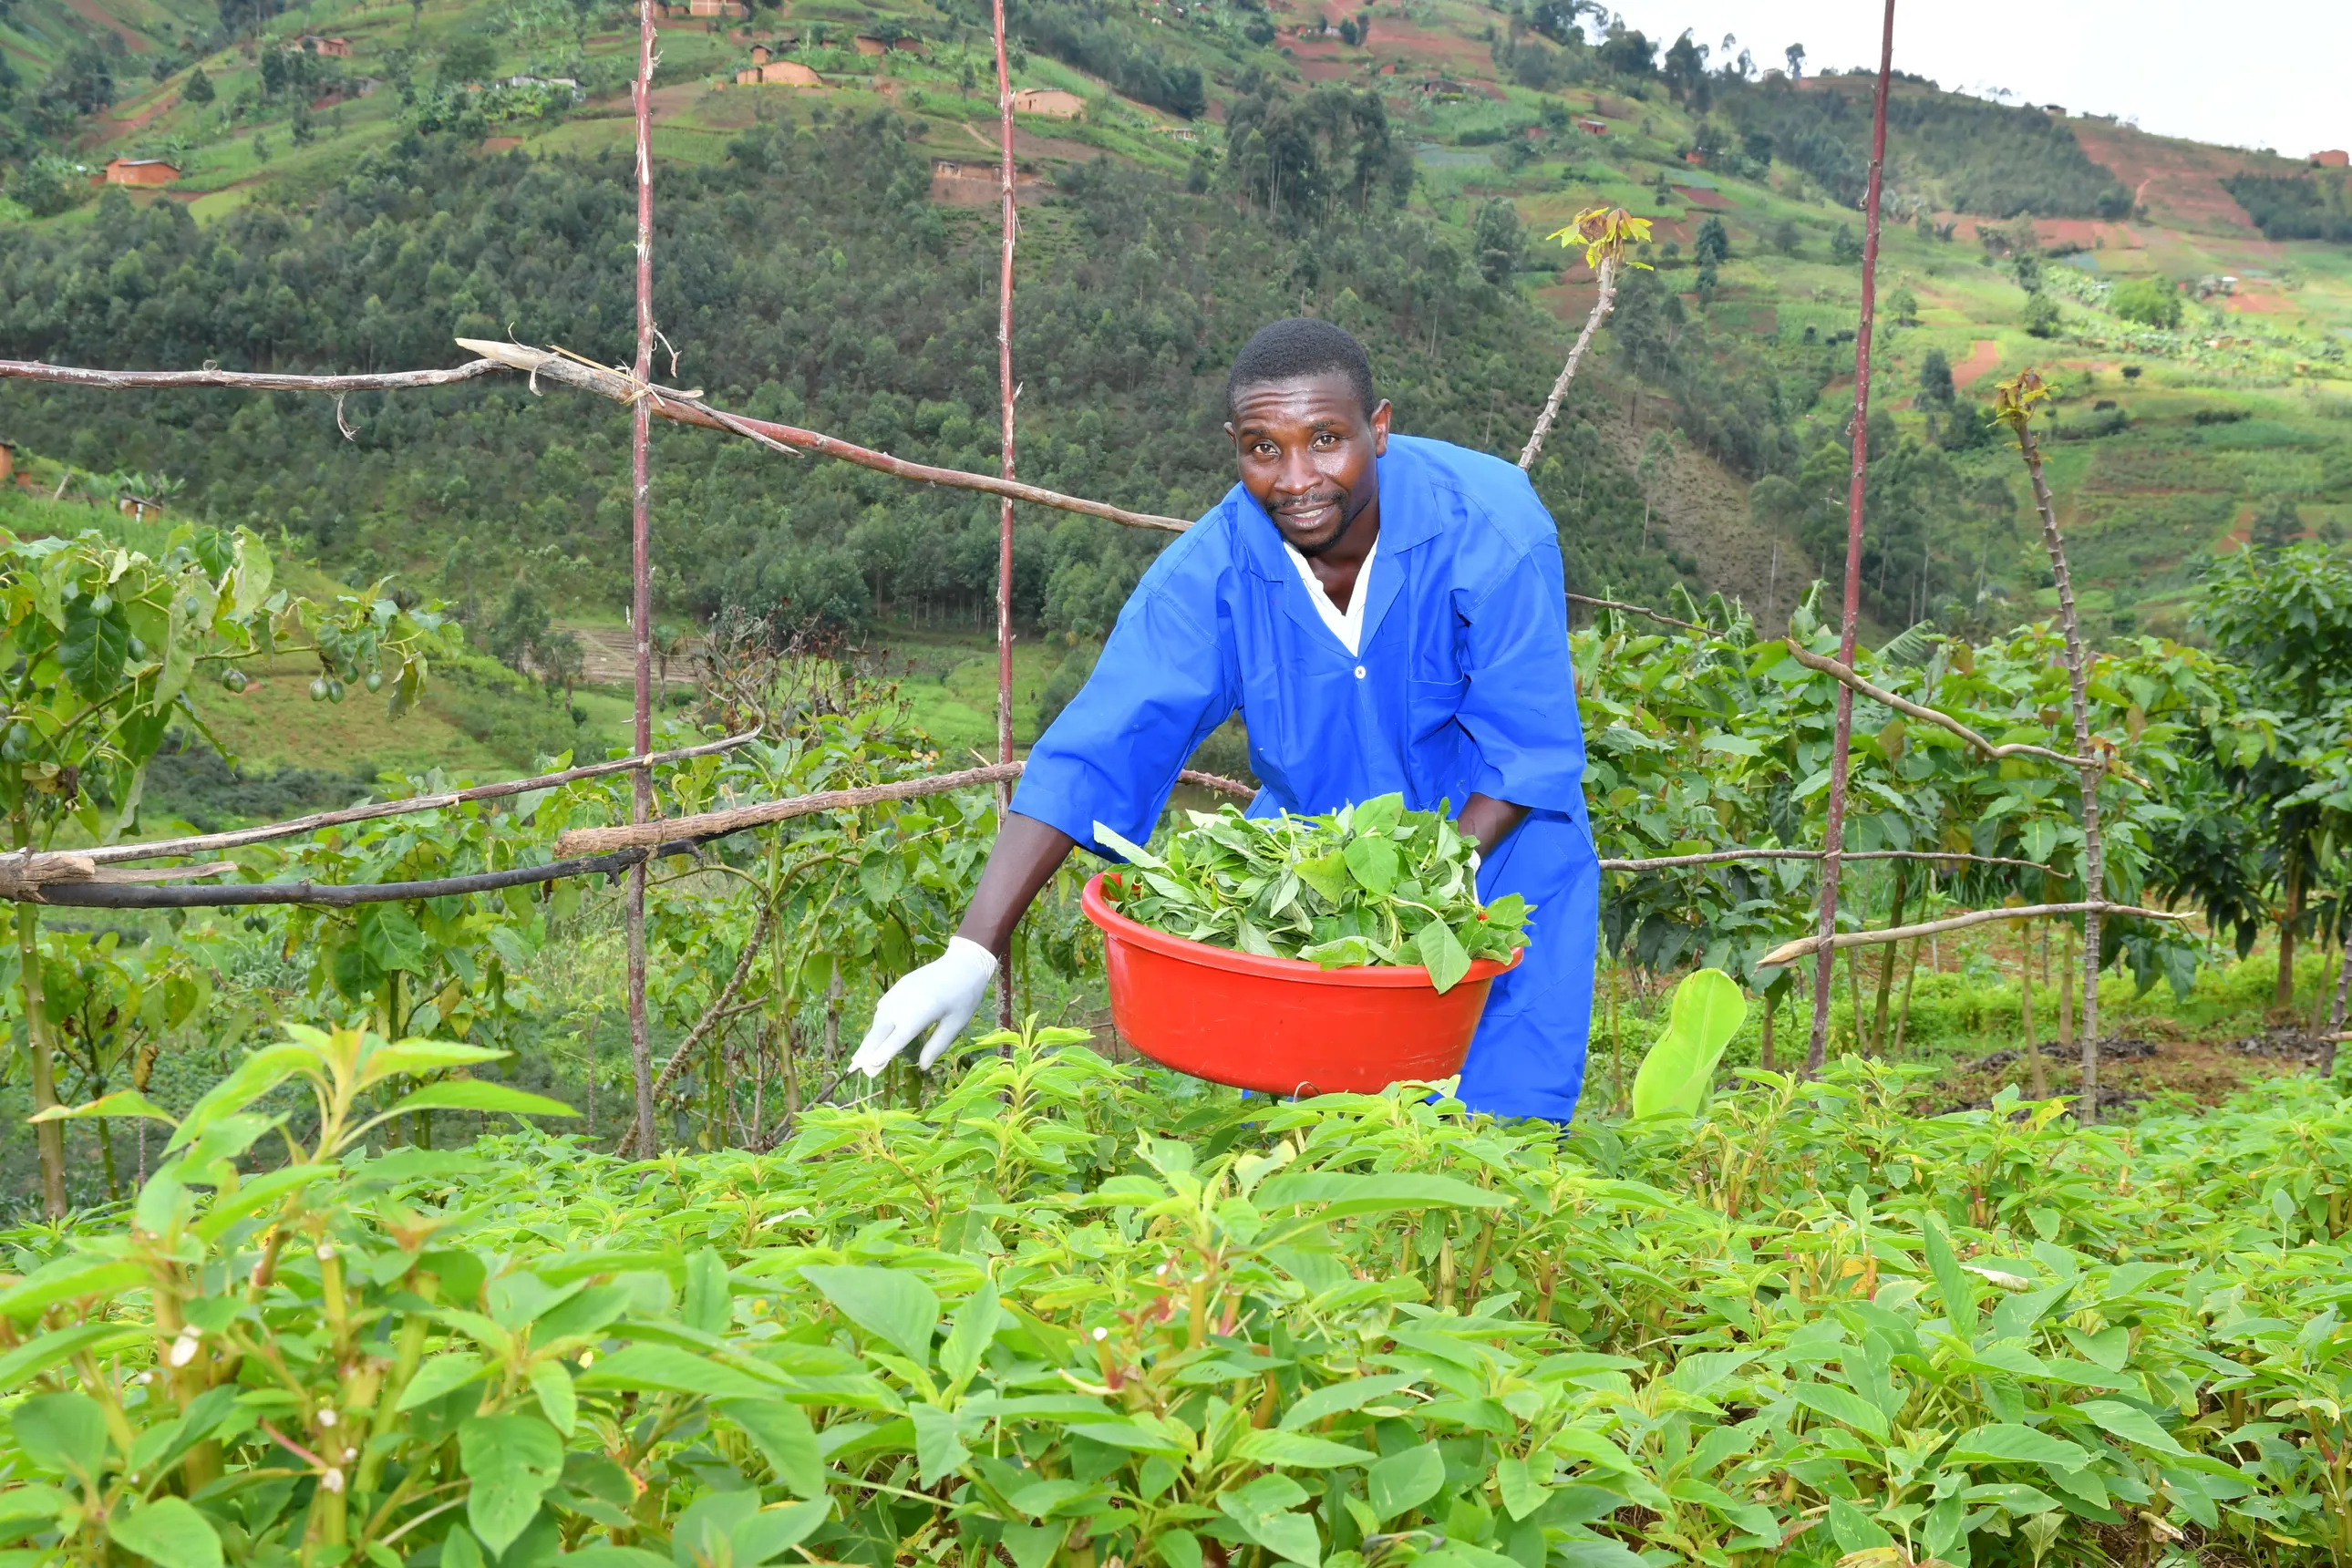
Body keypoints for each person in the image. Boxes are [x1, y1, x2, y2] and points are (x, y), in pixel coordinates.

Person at [851, 318, 1600, 1120]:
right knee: (1311, 1153)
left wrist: (1421, 887)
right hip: (1316, 904)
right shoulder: (1216, 570)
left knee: (1491, 1150)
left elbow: (1524, 750)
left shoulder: (1492, 530)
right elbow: (1099, 746)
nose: (1297, 477)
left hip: (1496, 881)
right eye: (1262, 448)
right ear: (1234, 446)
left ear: (1378, 430)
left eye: (1326, 439)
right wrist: (971, 951)